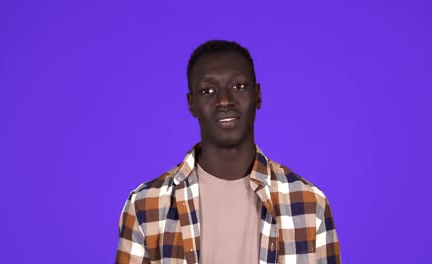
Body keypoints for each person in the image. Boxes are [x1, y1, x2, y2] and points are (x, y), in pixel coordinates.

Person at [116, 40, 341, 264]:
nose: (224, 100)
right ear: (191, 104)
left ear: (258, 95)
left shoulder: (310, 204)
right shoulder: (145, 205)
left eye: (239, 87)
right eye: (208, 90)